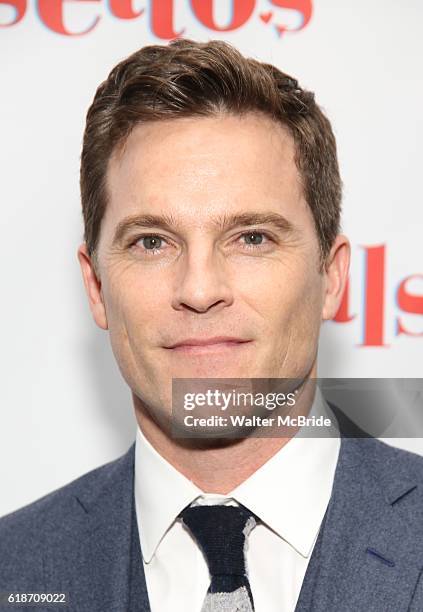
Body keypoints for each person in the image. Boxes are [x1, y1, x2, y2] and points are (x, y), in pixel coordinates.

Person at [1, 39, 423, 612]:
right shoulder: (15, 568)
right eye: (151, 242)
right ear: (96, 287)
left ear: (332, 276)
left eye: (252, 237)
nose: (199, 290)